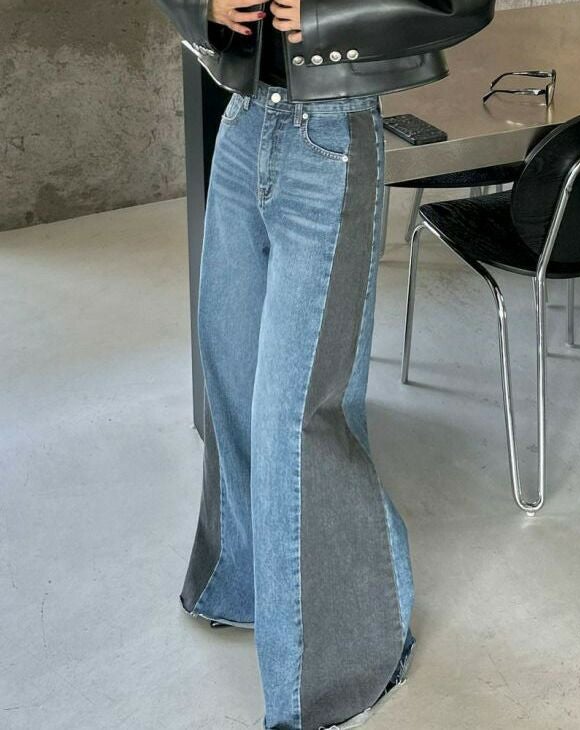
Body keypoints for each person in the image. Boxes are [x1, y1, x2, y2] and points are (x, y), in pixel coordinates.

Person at [152, 1, 497, 728]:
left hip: (333, 135)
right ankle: (245, 585)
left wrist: (322, 16)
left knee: (296, 417)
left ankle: (342, 663)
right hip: (243, 123)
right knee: (233, 381)